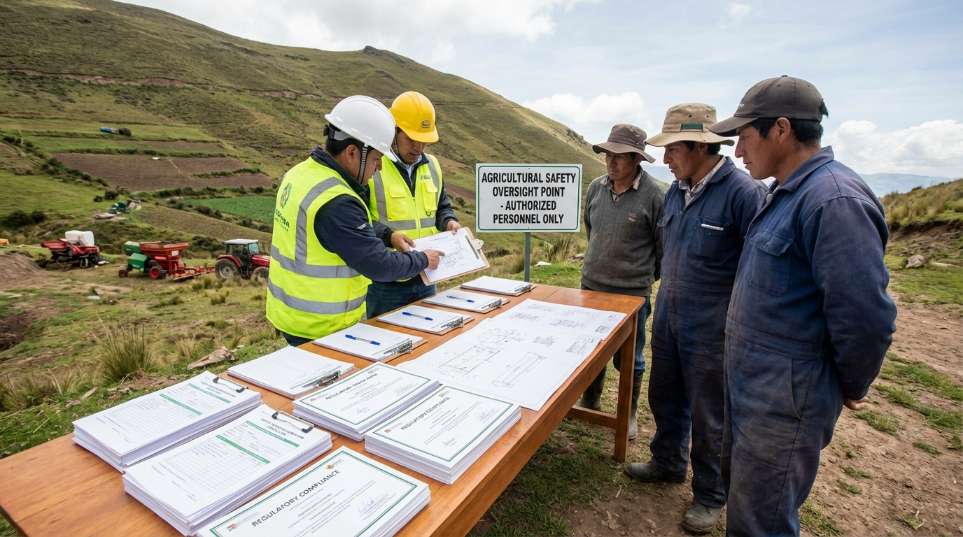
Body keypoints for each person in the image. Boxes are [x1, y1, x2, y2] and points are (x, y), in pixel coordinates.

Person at [708, 76, 897, 537]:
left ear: (781, 130)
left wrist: (851, 383)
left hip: (786, 399)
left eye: (744, 138)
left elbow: (865, 316)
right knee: (747, 503)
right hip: (756, 389)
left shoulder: (833, 200)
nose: (736, 153)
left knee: (763, 520)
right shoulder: (786, 191)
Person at [625, 103, 765, 534]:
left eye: (673, 151)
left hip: (714, 329)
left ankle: (710, 494)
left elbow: (757, 270)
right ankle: (667, 462)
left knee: (711, 416)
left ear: (699, 147)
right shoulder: (676, 191)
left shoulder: (744, 194)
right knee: (665, 395)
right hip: (669, 316)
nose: (666, 160)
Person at [266, 95, 443, 346]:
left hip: (291, 313)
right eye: (376, 158)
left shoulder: (301, 174)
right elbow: (379, 265)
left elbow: (338, 233)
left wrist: (386, 235)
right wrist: (423, 259)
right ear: (351, 152)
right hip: (321, 325)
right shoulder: (337, 201)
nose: (379, 167)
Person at [579, 123, 664, 440]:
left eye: (620, 157)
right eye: (607, 155)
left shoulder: (655, 196)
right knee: (590, 350)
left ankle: (627, 415)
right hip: (592, 287)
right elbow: (593, 231)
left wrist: (639, 279)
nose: (611, 162)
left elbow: (661, 248)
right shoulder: (596, 189)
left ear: (637, 160)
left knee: (632, 358)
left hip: (632, 295)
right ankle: (590, 400)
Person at [365, 91, 461, 318]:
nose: (418, 147)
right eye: (411, 138)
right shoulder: (372, 165)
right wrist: (389, 235)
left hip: (427, 273)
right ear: (394, 131)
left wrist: (449, 221)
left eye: (423, 140)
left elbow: (442, 207)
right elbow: (360, 220)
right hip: (386, 281)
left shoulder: (433, 166)